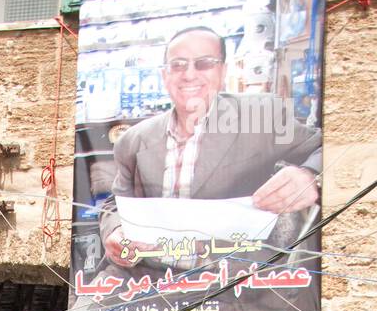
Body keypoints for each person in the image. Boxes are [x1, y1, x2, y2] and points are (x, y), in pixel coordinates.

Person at [100, 25, 322, 269]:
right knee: (80, 309)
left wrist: (309, 175)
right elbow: (116, 202)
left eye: (204, 63)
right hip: (147, 279)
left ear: (223, 71)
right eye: (178, 65)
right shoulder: (133, 140)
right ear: (165, 76)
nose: (189, 75)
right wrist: (115, 230)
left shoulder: (260, 117)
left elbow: (325, 147)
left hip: (232, 283)